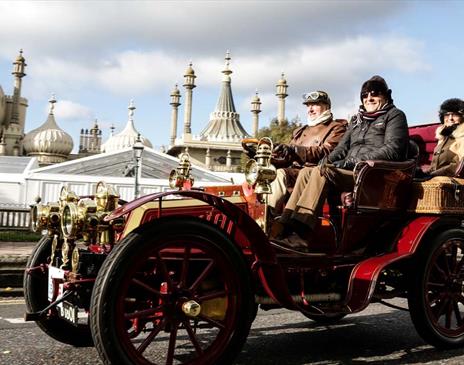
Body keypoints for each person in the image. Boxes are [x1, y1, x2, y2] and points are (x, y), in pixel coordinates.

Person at [273, 75, 409, 251]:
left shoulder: (395, 116)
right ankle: (283, 227)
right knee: (311, 171)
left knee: (323, 173)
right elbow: (341, 149)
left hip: (372, 174)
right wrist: (325, 161)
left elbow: (393, 150)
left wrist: (349, 162)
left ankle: (301, 236)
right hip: (352, 172)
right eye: (365, 95)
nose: (369, 98)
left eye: (374, 94)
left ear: (386, 96)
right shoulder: (356, 120)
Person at [267, 91, 346, 215]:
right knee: (265, 175)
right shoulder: (300, 131)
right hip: (294, 172)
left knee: (280, 175)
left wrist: (295, 150)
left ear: (326, 107)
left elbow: (326, 151)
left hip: (313, 174)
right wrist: (268, 156)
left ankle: (269, 219)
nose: (310, 109)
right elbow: (287, 157)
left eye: (315, 105)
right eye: (308, 105)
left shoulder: (336, 127)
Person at [421, 98, 464, 177]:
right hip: (435, 179)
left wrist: (432, 175)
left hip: (452, 182)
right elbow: (434, 166)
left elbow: (458, 166)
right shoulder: (443, 137)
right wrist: (423, 173)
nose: (450, 118)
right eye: (447, 115)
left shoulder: (462, 137)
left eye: (455, 114)